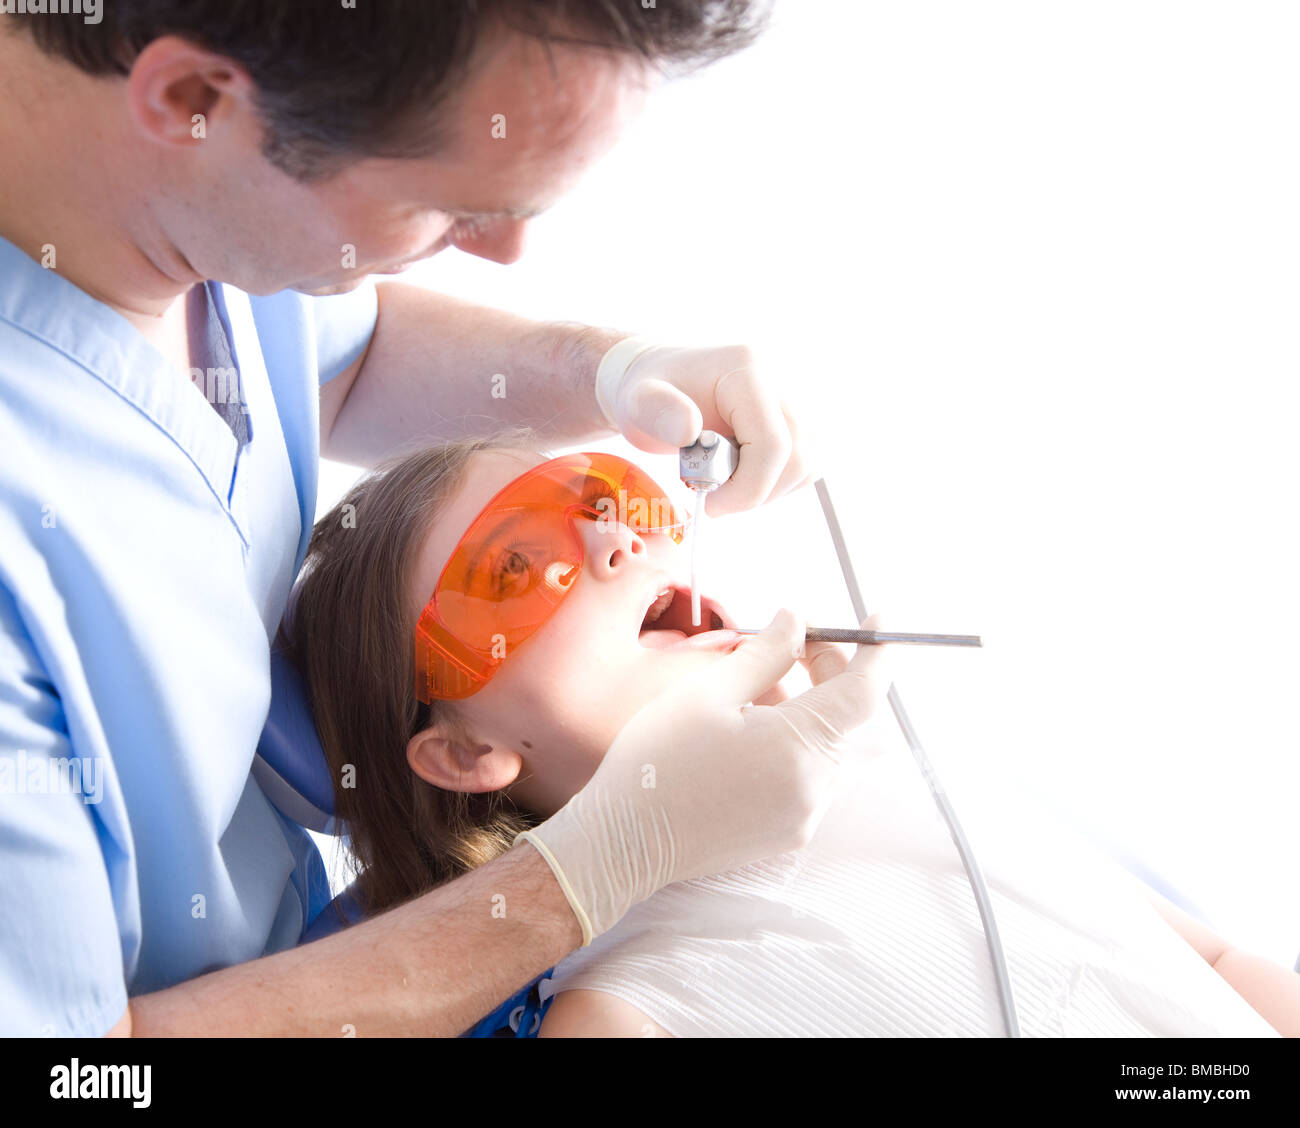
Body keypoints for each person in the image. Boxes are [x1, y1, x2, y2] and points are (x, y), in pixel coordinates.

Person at [0, 2, 880, 1037]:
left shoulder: (199, 195)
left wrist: (608, 370)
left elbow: (347, 351)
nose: (502, 249)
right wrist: (594, 869)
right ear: (193, 100)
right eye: (448, 203)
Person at [285, 435, 1295, 1037]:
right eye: (514, 571)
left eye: (608, 498)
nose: (616, 538)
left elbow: (1205, 974)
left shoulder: (911, 779)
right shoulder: (625, 1005)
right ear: (467, 757)